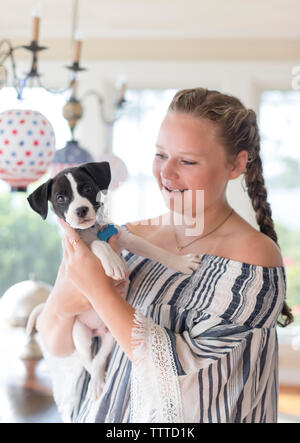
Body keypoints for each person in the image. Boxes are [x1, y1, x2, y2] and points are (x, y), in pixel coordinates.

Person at [37, 88, 293, 423]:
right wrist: (63, 300)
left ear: (236, 165)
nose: (166, 173)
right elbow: (58, 346)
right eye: (160, 155)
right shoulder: (127, 236)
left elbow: (186, 385)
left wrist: (98, 292)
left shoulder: (253, 258)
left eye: (187, 161)